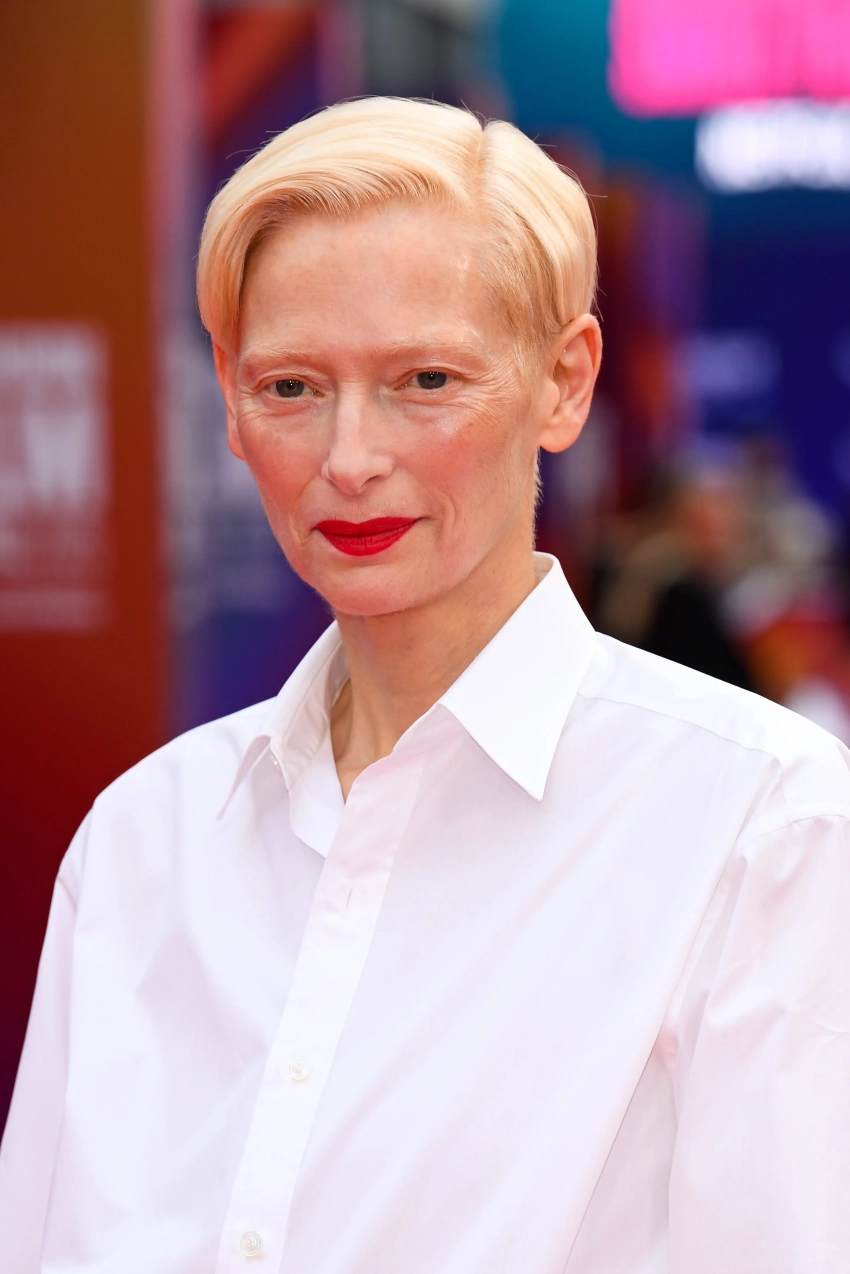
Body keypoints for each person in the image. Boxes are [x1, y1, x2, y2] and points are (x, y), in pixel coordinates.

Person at [1, 97, 848, 1274]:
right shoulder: (144, 841)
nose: (349, 458)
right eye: (291, 387)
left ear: (563, 382)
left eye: (425, 378)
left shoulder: (759, 823)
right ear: (228, 398)